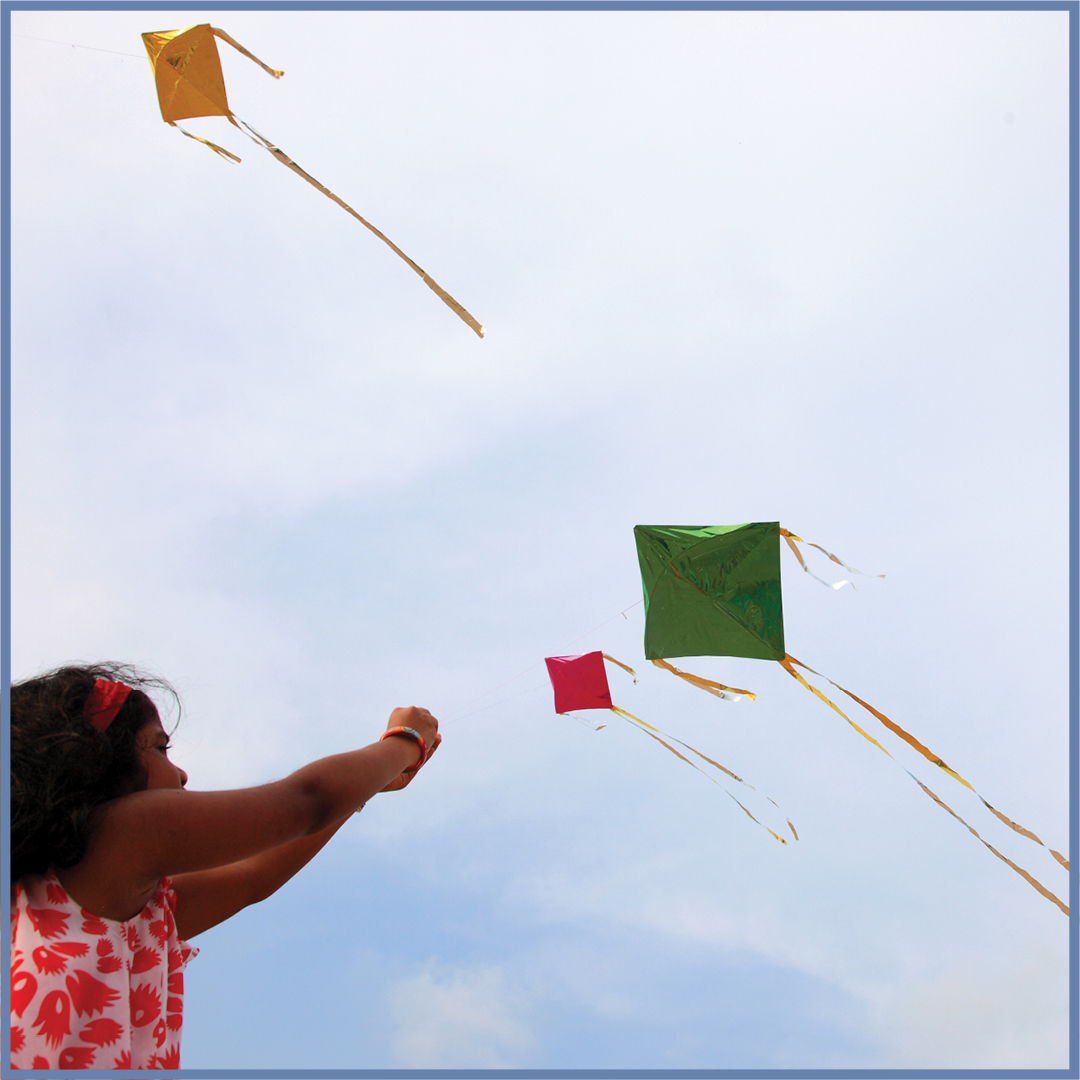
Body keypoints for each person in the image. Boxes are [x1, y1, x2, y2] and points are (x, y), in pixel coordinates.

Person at [10, 663, 440, 1069]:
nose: (181, 774)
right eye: (160, 748)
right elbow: (307, 801)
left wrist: (363, 788)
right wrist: (405, 742)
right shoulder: (123, 835)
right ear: (96, 764)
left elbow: (256, 875)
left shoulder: (105, 910)